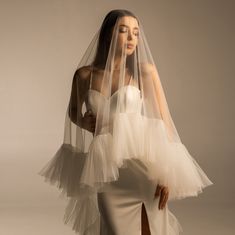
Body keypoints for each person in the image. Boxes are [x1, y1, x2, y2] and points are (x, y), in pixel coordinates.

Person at [39, 9, 213, 235]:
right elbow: (73, 112)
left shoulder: (145, 73)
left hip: (143, 168)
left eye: (136, 33)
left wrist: (167, 173)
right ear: (108, 35)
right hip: (106, 171)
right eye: (124, 31)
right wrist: (84, 123)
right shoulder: (84, 75)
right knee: (114, 229)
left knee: (149, 227)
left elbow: (164, 122)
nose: (132, 38)